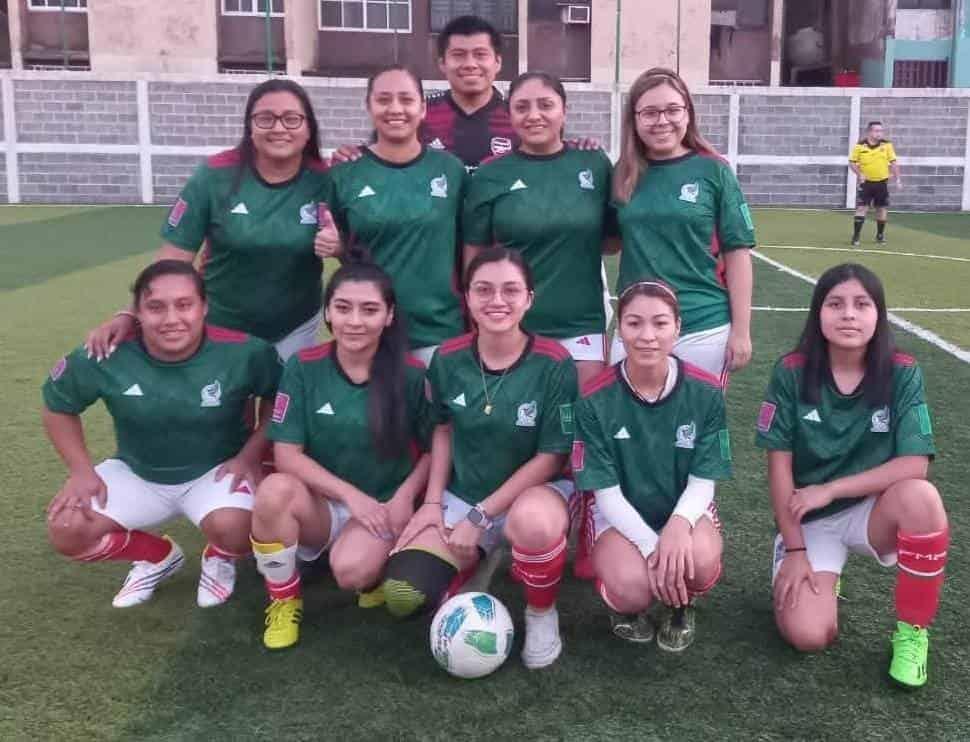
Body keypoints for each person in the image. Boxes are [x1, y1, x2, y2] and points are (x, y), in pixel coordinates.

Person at [43, 260, 282, 609]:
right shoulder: (106, 351)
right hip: (138, 471)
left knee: (241, 528)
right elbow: (58, 407)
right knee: (66, 529)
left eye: (184, 305)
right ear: (136, 312)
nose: (171, 319)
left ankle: (220, 555)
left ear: (204, 307)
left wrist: (251, 455)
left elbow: (280, 398)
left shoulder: (246, 352)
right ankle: (157, 556)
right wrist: (81, 471)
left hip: (215, 472)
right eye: (156, 307)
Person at [382, 247, 578, 670]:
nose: (497, 301)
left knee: (533, 524)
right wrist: (433, 503)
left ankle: (541, 612)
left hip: (533, 494)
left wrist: (480, 518)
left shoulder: (555, 364)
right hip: (464, 492)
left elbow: (552, 455)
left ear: (529, 298)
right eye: (483, 290)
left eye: (511, 290)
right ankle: (476, 565)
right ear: (467, 297)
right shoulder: (448, 358)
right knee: (402, 595)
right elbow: (443, 429)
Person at [756, 263, 947, 689]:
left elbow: (915, 465)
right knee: (808, 636)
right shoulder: (791, 371)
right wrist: (796, 549)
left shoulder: (902, 370)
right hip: (811, 521)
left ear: (878, 315)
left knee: (922, 497)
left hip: (872, 512)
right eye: (836, 304)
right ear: (817, 314)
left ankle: (913, 631)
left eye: (862, 304)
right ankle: (821, 571)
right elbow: (779, 471)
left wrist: (831, 488)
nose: (848, 315)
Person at [250, 258, 431, 650]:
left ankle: (374, 569)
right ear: (328, 311)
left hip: (383, 507)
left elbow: (435, 450)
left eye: (369, 310)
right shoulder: (303, 366)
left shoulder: (411, 374)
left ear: (389, 315)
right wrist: (351, 496)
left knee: (351, 572)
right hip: (322, 505)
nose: (354, 321)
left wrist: (402, 498)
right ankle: (283, 600)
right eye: (344, 307)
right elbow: (286, 454)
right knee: (273, 492)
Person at [85, 79, 331, 362]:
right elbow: (173, 259)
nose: (278, 128)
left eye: (291, 119)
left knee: (280, 405)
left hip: (295, 326)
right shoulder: (214, 176)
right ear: (249, 127)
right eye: (265, 119)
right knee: (226, 405)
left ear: (308, 128)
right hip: (221, 322)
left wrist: (336, 247)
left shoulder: (326, 179)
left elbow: (355, 249)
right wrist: (130, 313)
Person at [574, 281, 730, 650]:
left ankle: (682, 604)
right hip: (619, 515)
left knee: (700, 561)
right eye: (634, 323)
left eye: (660, 324)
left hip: (682, 507)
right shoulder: (595, 399)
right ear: (620, 330)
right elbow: (605, 493)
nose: (647, 336)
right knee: (633, 588)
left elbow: (704, 478)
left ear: (678, 327)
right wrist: (652, 549)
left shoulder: (705, 392)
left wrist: (678, 525)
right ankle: (625, 609)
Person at [463, 71, 618, 388]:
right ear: (509, 116)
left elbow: (612, 241)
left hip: (582, 323)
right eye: (521, 107)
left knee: (580, 427)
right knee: (518, 428)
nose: (534, 115)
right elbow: (474, 257)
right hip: (511, 322)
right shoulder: (490, 174)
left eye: (545, 105)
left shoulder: (594, 163)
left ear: (565, 110)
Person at [611, 67, 755, 384]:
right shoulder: (622, 172)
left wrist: (741, 331)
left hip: (702, 325)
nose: (662, 120)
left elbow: (738, 253)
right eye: (649, 112)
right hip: (636, 326)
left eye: (673, 109)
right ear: (634, 119)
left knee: (696, 428)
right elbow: (608, 241)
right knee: (627, 424)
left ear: (687, 112)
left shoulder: (714, 170)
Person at [317, 65, 467, 366]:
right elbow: (340, 246)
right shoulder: (344, 174)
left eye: (406, 99)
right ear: (369, 106)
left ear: (423, 108)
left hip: (439, 331)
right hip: (369, 331)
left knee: (436, 414)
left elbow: (470, 248)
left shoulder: (451, 170)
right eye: (384, 99)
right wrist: (336, 248)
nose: (395, 109)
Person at [849, 121, 901, 247]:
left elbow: (893, 162)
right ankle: (856, 236)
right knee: (862, 208)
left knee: (881, 208)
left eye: (881, 131)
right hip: (866, 183)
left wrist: (898, 178)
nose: (879, 133)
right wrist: (859, 174)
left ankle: (880, 235)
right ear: (870, 132)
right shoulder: (860, 146)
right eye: (877, 131)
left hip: (881, 183)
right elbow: (852, 162)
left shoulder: (887, 145)